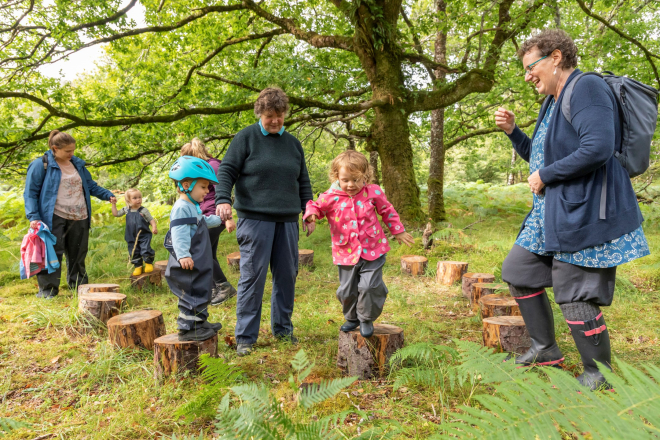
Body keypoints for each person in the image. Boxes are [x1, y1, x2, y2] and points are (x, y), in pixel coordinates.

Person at [494, 29, 650, 390]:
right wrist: (515, 133)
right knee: (519, 270)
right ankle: (545, 348)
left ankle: (599, 373)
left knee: (575, 292)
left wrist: (546, 176)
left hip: (586, 209)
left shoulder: (587, 88)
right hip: (553, 211)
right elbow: (542, 155)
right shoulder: (552, 100)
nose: (528, 75)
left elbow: (598, 147)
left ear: (556, 57)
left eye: (531, 66)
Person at [215, 87, 314, 356]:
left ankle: (283, 330)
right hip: (255, 219)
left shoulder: (293, 144)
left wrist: (309, 210)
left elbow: (302, 180)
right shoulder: (246, 138)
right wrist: (223, 198)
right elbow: (226, 171)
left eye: (280, 115)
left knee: (286, 277)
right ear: (260, 113)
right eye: (270, 115)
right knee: (253, 278)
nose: (275, 121)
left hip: (287, 221)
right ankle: (246, 337)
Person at [303, 150, 414, 337]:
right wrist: (311, 216)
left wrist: (398, 230)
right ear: (337, 176)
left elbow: (387, 210)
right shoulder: (331, 195)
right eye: (346, 180)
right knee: (347, 290)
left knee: (368, 286)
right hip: (345, 251)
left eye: (356, 179)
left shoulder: (373, 191)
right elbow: (315, 205)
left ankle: (366, 317)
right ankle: (352, 317)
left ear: (365, 176)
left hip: (373, 248)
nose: (351, 185)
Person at [24, 130, 116, 298]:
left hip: (79, 215)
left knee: (78, 253)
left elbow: (90, 185)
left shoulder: (77, 164)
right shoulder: (40, 165)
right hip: (53, 216)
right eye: (67, 151)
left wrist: (108, 195)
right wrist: (33, 216)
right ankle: (48, 291)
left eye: (73, 150)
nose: (71, 154)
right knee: (52, 253)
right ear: (54, 148)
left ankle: (79, 288)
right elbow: (30, 193)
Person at [165, 156, 224, 341]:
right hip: (187, 262)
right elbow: (179, 233)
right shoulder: (182, 207)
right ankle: (188, 328)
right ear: (186, 185)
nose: (207, 191)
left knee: (201, 291)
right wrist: (182, 255)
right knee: (190, 295)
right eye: (204, 186)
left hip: (197, 260)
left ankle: (200, 322)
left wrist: (219, 219)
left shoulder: (193, 206)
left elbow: (203, 221)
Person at [180, 138, 237, 304]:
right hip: (204, 216)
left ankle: (224, 287)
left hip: (214, 216)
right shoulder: (199, 169)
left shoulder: (212, 166)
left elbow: (223, 192)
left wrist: (228, 218)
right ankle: (213, 289)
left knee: (200, 253)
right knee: (209, 253)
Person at [111, 188, 158, 276]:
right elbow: (116, 214)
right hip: (131, 235)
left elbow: (151, 220)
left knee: (145, 249)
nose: (138, 199)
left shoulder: (143, 210)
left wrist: (154, 227)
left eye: (139, 197)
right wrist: (113, 204)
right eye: (135, 198)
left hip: (144, 234)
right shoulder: (126, 209)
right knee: (133, 251)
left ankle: (148, 263)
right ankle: (138, 266)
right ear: (128, 200)